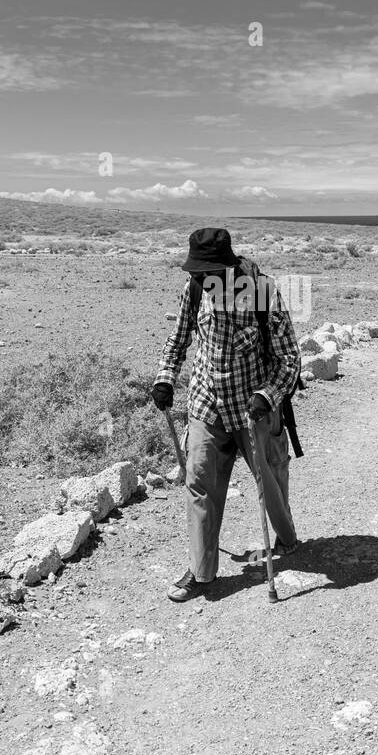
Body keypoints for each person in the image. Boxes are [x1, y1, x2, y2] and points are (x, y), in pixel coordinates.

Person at [151, 227, 301, 602]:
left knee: (268, 480)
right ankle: (202, 573)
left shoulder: (261, 292)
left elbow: (289, 359)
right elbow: (178, 338)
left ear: (226, 267)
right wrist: (165, 378)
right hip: (206, 403)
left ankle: (287, 538)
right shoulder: (196, 287)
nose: (198, 278)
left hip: (253, 410)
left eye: (205, 273)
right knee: (200, 484)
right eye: (195, 272)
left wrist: (267, 396)